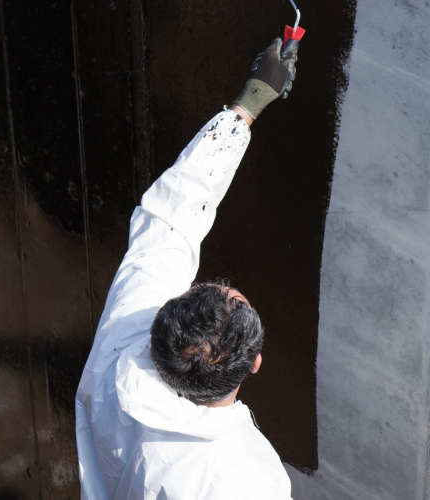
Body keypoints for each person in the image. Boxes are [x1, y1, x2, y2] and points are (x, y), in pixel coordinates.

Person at [75, 37, 299, 499]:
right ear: (254, 364)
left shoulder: (126, 339)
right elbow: (171, 218)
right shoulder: (246, 480)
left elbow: (171, 216)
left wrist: (250, 102)